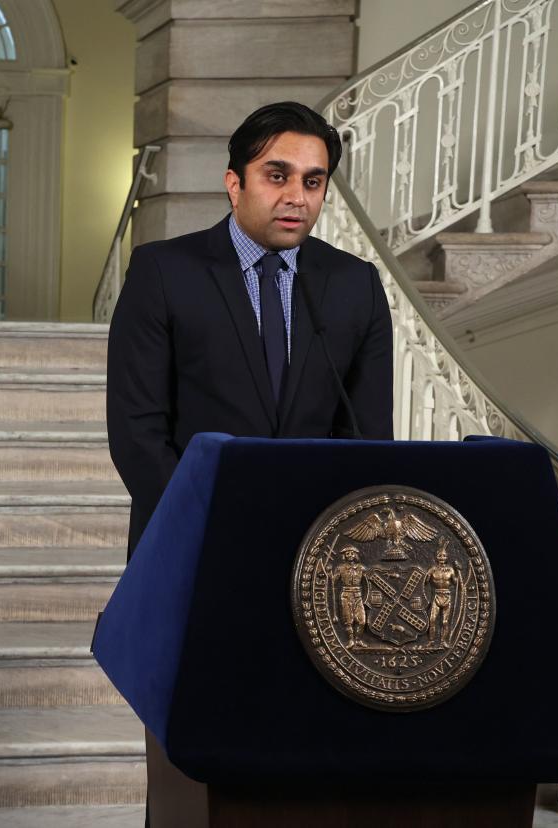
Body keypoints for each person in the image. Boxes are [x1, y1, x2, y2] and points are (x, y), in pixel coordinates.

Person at [107, 101, 394, 556]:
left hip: (313, 549)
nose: (297, 197)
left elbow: (369, 436)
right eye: (277, 176)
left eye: (312, 181)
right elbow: (136, 432)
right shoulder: (161, 272)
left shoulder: (357, 285)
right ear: (234, 184)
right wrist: (208, 521)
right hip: (189, 538)